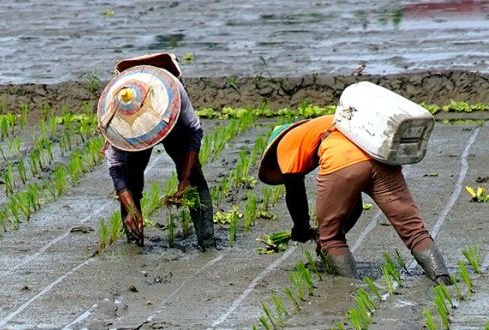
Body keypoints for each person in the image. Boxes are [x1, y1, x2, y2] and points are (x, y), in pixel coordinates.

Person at [258, 114, 450, 283]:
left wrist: (302, 229)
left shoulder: (285, 144)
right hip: (382, 158)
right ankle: (442, 278)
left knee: (331, 238)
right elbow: (354, 207)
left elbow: (295, 193)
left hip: (342, 161)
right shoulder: (328, 123)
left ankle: (348, 286)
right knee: (413, 230)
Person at [99, 53, 216, 250]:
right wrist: (130, 207)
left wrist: (185, 180)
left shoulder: (173, 93)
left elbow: (195, 132)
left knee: (194, 179)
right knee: (130, 180)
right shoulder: (114, 122)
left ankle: (207, 241)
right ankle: (134, 238)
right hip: (134, 137)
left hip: (171, 122)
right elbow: (117, 170)